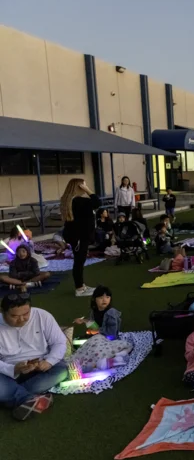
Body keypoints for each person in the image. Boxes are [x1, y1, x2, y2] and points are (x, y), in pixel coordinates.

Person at [0, 292, 68, 420]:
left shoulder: (42, 315)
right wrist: (14, 369)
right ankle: (27, 398)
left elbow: (59, 342)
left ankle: (11, 396)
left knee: (61, 370)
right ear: (3, 312)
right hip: (9, 373)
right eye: (14, 316)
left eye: (26, 314)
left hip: (41, 368)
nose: (21, 319)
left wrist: (49, 361)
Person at [61, 178, 100, 297]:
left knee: (79, 261)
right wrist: (88, 190)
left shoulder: (69, 200)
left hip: (75, 235)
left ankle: (81, 285)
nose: (85, 186)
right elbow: (97, 202)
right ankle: (79, 288)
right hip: (79, 236)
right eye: (83, 185)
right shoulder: (78, 200)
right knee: (79, 261)